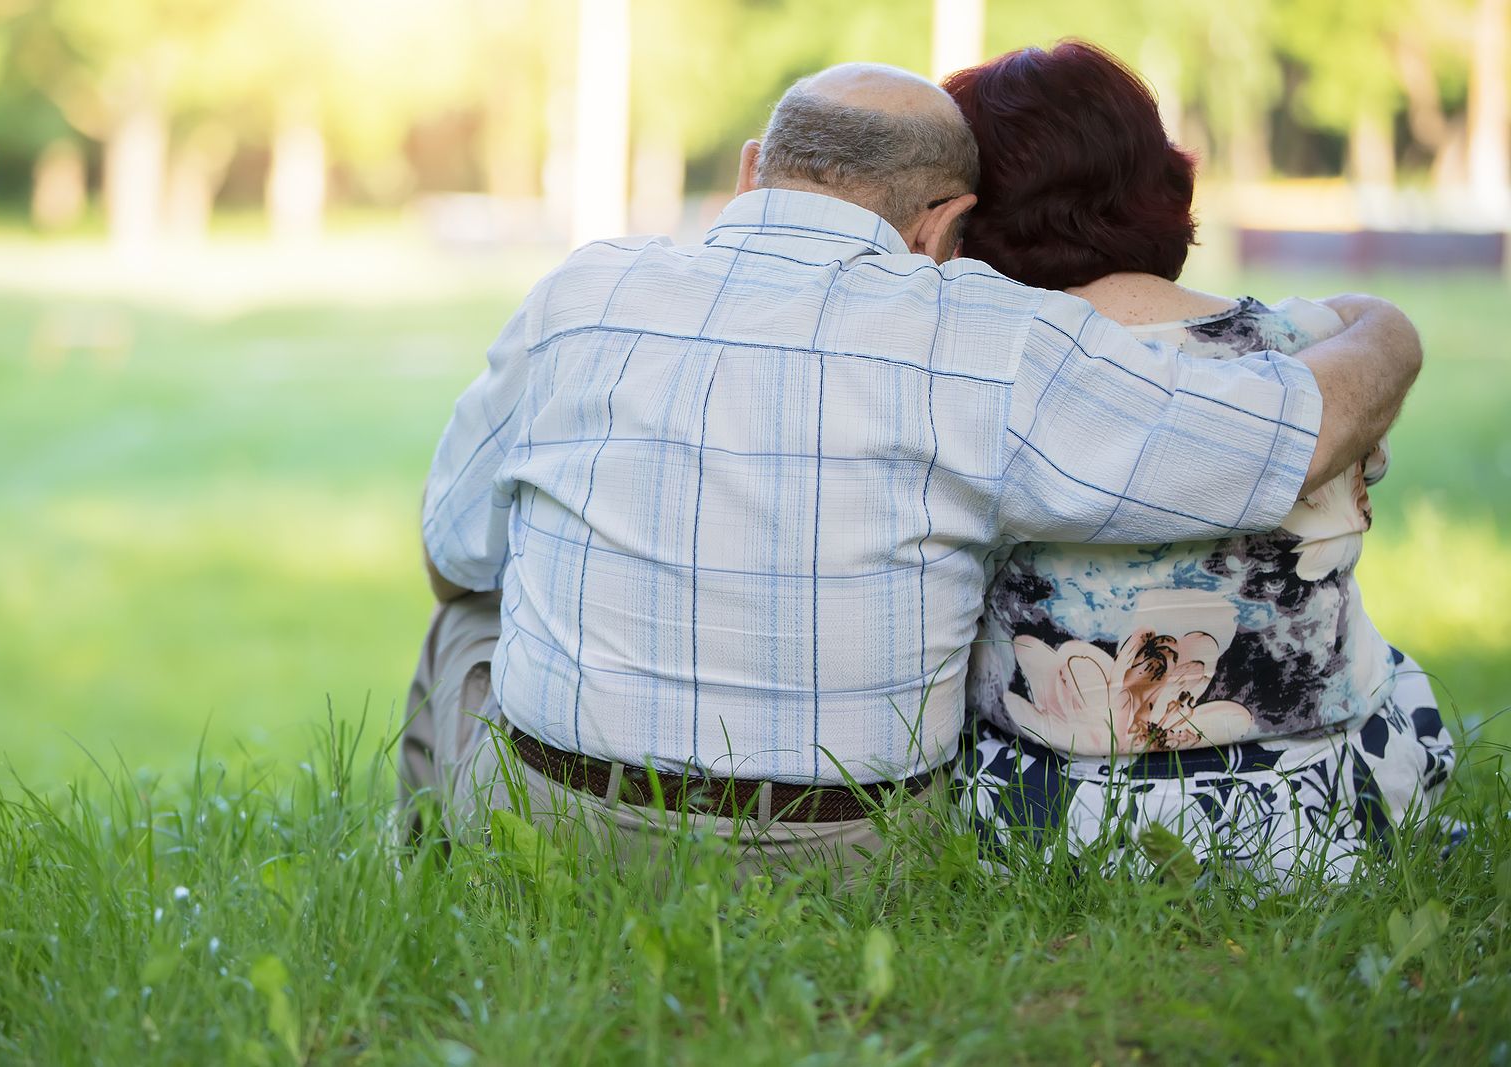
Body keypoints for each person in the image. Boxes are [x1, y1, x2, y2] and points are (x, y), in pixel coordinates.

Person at [399, 62, 1423, 880]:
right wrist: (1383, 329)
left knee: (463, 620)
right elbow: (1280, 437)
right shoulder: (990, 338)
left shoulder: (585, 289)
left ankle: (432, 893)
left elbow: (455, 554)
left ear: (755, 167)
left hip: (562, 826)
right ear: (943, 225)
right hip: (849, 857)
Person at [942, 42, 1453, 883]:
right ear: (1164, 183)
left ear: (974, 214)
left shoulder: (976, 375)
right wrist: (1371, 318)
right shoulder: (1316, 349)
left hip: (1060, 822)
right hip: (1327, 814)